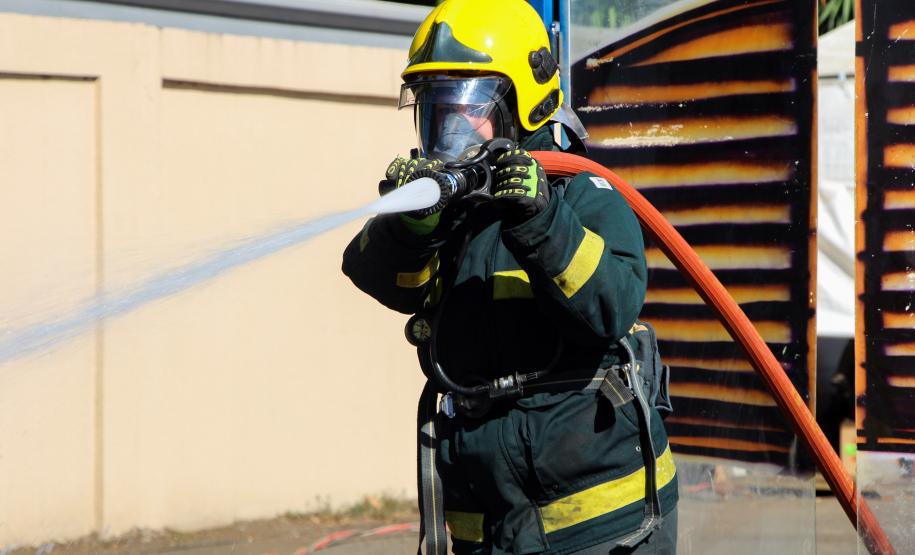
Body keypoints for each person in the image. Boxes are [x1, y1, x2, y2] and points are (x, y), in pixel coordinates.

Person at [342, 0, 678, 553]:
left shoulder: (582, 193)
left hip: (600, 526)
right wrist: (410, 228)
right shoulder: (452, 212)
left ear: (525, 104)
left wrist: (541, 220)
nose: (449, 128)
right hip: (489, 520)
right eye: (435, 108)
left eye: (467, 105)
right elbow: (378, 276)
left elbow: (611, 306)